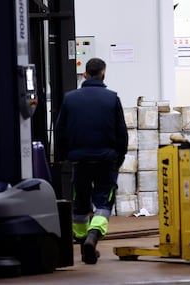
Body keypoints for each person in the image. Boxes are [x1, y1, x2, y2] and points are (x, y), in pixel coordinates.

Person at [55, 58, 128, 264]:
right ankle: (93, 236)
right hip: (106, 161)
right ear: (103, 74)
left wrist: (65, 157)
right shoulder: (112, 99)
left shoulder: (70, 99)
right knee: (104, 201)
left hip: (79, 161)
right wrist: (119, 158)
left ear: (85, 75)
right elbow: (121, 133)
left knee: (80, 203)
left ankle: (82, 242)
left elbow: (60, 131)